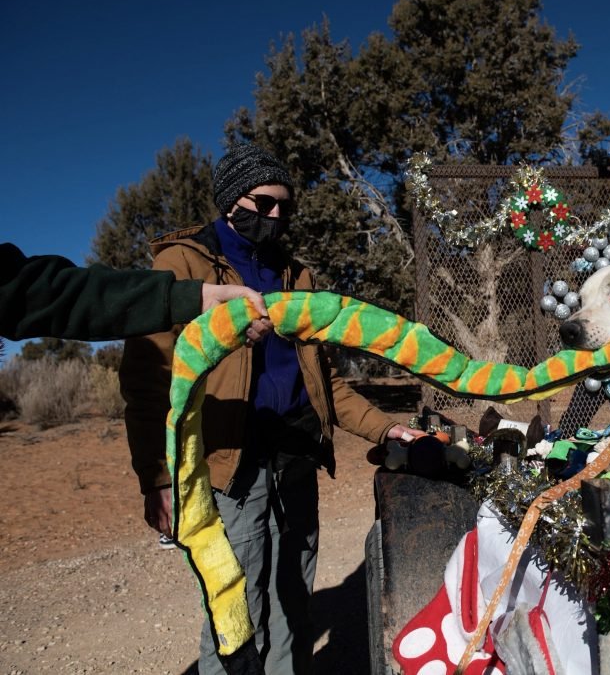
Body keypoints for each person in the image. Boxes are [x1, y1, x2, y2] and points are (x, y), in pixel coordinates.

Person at [119, 143, 425, 675]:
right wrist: (157, 477)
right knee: (236, 605)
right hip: (230, 461)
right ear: (229, 200)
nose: (276, 215)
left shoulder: (296, 276)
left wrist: (387, 429)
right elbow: (149, 381)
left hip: (296, 454)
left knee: (295, 600)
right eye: (264, 203)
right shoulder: (182, 265)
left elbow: (325, 382)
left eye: (285, 205)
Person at [0, 242, 273, 343]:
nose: (275, 214)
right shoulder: (178, 255)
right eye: (264, 203)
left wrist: (197, 297)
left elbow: (56, 294)